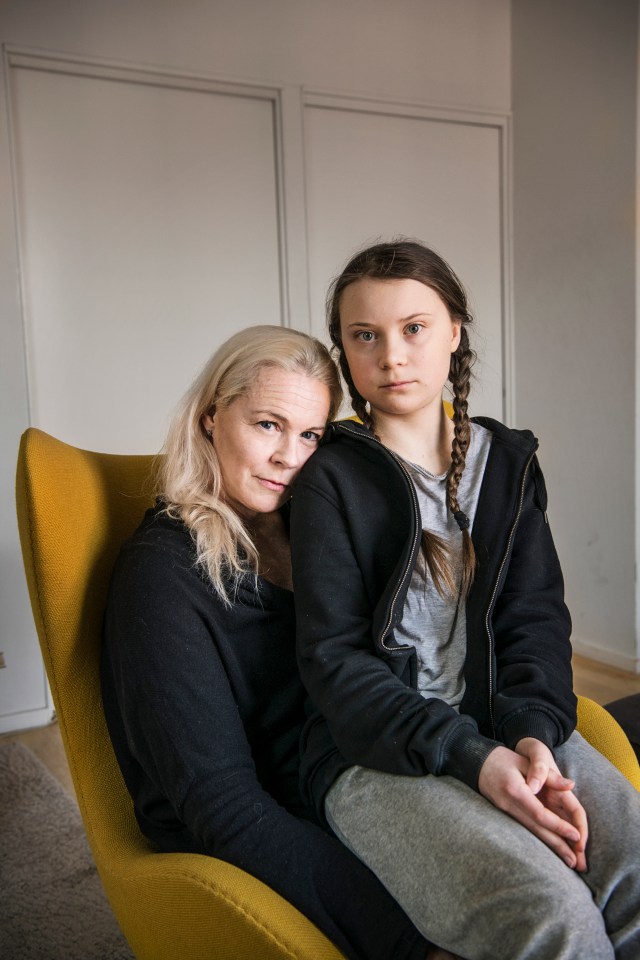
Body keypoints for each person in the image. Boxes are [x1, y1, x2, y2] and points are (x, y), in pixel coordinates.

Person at [289, 241, 640, 960]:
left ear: (454, 332)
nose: (392, 355)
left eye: (414, 328)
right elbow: (335, 664)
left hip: (508, 725)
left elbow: (535, 621)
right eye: (366, 336)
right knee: (556, 916)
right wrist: (473, 757)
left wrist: (535, 736)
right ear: (344, 351)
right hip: (374, 756)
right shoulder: (329, 480)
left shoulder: (507, 463)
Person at [100, 324, 449, 960]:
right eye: (268, 424)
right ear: (211, 418)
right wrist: (408, 945)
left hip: (363, 776)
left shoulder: (312, 530)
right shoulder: (161, 574)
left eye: (311, 433)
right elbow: (226, 809)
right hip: (280, 831)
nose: (291, 456)